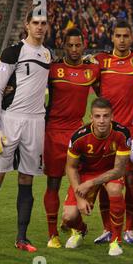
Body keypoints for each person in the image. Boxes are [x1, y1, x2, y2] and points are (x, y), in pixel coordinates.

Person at [0, 9, 51, 255]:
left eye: (43, 23)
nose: (39, 27)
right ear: (27, 24)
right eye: (35, 23)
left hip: (35, 123)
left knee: (26, 180)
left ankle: (22, 238)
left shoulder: (47, 54)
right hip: (10, 121)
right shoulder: (12, 52)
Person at [43, 28, 100, 249]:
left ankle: (76, 226)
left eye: (78, 45)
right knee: (53, 183)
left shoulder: (92, 70)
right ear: (64, 46)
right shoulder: (53, 69)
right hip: (53, 133)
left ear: (83, 46)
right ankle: (52, 234)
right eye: (70, 45)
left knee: (80, 183)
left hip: (77, 134)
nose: (74, 50)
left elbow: (105, 93)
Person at [93, 20, 133, 245]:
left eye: (126, 36)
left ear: (132, 37)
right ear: (112, 37)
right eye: (118, 36)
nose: (122, 40)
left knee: (132, 181)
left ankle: (129, 229)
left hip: (130, 131)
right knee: (108, 184)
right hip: (105, 132)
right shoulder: (101, 61)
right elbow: (97, 88)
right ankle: (108, 229)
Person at [62, 97, 131, 256]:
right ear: (91, 117)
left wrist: (91, 183)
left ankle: (115, 240)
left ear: (112, 116)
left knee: (115, 189)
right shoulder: (79, 137)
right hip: (86, 173)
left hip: (111, 172)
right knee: (69, 217)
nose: (102, 120)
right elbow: (71, 167)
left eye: (106, 116)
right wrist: (80, 198)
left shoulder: (122, 133)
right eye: (97, 116)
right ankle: (80, 230)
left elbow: (119, 170)